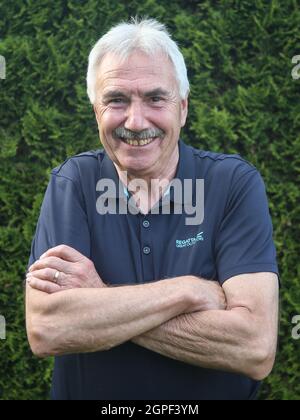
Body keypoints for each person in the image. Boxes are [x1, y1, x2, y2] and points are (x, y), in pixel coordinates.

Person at [26, 18, 279, 400]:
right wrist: (189, 291)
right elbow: (49, 328)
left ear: (183, 108)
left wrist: (99, 298)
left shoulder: (232, 184)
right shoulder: (74, 183)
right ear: (96, 110)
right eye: (117, 100)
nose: (136, 121)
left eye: (155, 98)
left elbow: (254, 347)